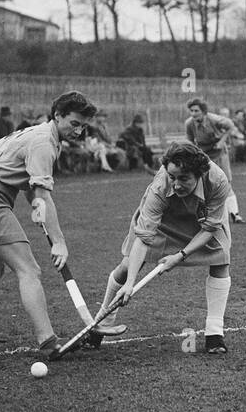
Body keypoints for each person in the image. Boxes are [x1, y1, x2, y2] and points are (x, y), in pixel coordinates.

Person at [0, 90, 97, 354]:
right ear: (58, 115)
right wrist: (59, 242)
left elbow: (29, 186)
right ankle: (48, 341)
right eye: (74, 123)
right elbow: (43, 195)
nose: (78, 132)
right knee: (29, 269)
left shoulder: (40, 134)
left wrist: (35, 205)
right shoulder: (44, 143)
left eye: (83, 126)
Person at [94, 141, 234, 354]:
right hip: (165, 217)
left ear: (199, 174)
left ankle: (215, 333)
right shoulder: (161, 186)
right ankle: (101, 323)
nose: (176, 184)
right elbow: (143, 237)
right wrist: (130, 283)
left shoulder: (217, 180)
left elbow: (210, 227)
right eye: (172, 177)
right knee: (126, 266)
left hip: (200, 218)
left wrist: (180, 255)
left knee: (220, 260)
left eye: (184, 178)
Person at [185, 97, 244, 223]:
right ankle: (203, 214)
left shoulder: (214, 119)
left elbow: (230, 126)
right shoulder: (189, 124)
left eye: (196, 111)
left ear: (204, 111)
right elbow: (190, 140)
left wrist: (222, 141)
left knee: (226, 183)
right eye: (192, 111)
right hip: (204, 155)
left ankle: (235, 214)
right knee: (202, 184)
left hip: (219, 154)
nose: (194, 114)